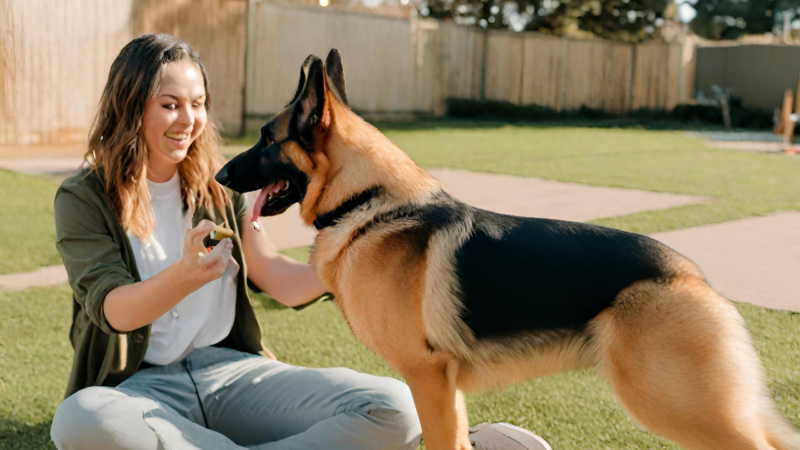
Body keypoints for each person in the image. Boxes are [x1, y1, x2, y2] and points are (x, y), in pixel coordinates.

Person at [49, 33, 550, 450]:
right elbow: (114, 310)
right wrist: (183, 275)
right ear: (131, 105)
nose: (188, 120)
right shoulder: (85, 197)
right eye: (170, 104)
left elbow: (280, 280)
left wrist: (359, 255)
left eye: (198, 104)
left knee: (393, 407)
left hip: (230, 375)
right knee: (81, 418)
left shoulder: (216, 191)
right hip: (142, 388)